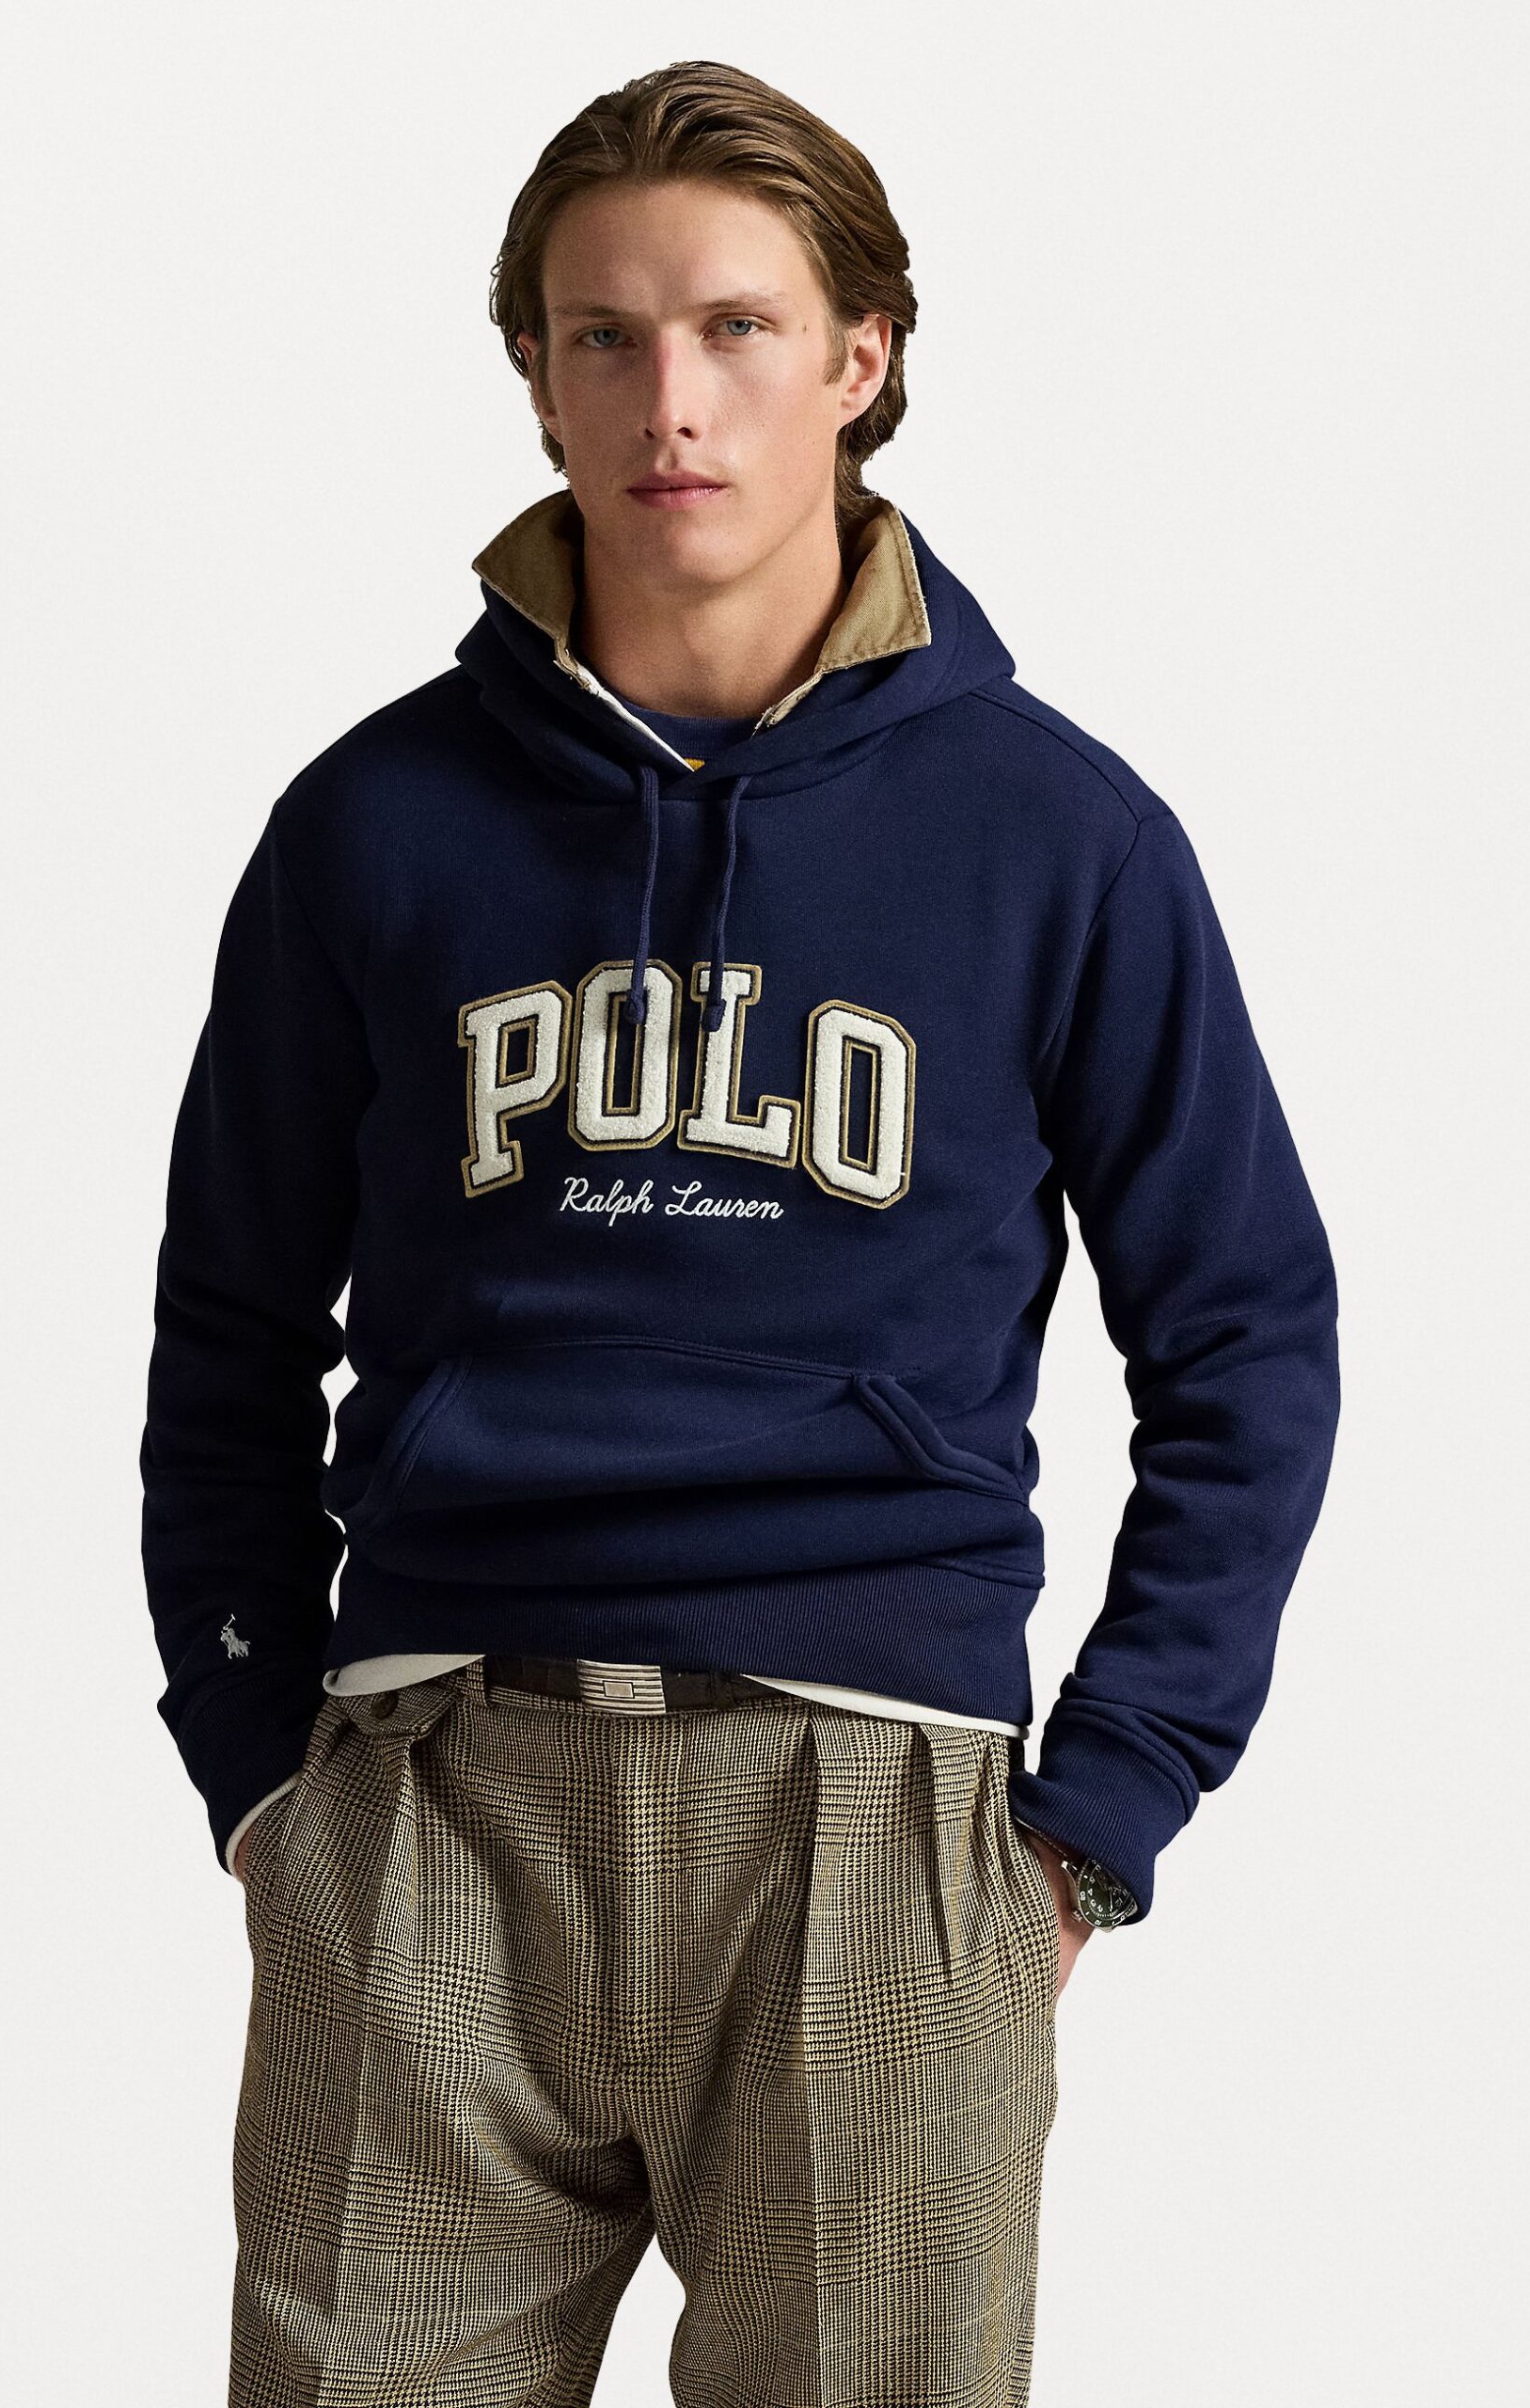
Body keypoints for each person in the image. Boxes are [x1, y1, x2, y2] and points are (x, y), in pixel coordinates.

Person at [139, 57, 1340, 2407]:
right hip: (431, 1789)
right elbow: (230, 1319)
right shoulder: (374, 822)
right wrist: (262, 1762)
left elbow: (1246, 1335)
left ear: (857, 358)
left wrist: (1097, 1811)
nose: (665, 401)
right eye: (602, 335)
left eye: (733, 329)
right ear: (532, 371)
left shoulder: (1054, 837)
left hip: (868, 1807)